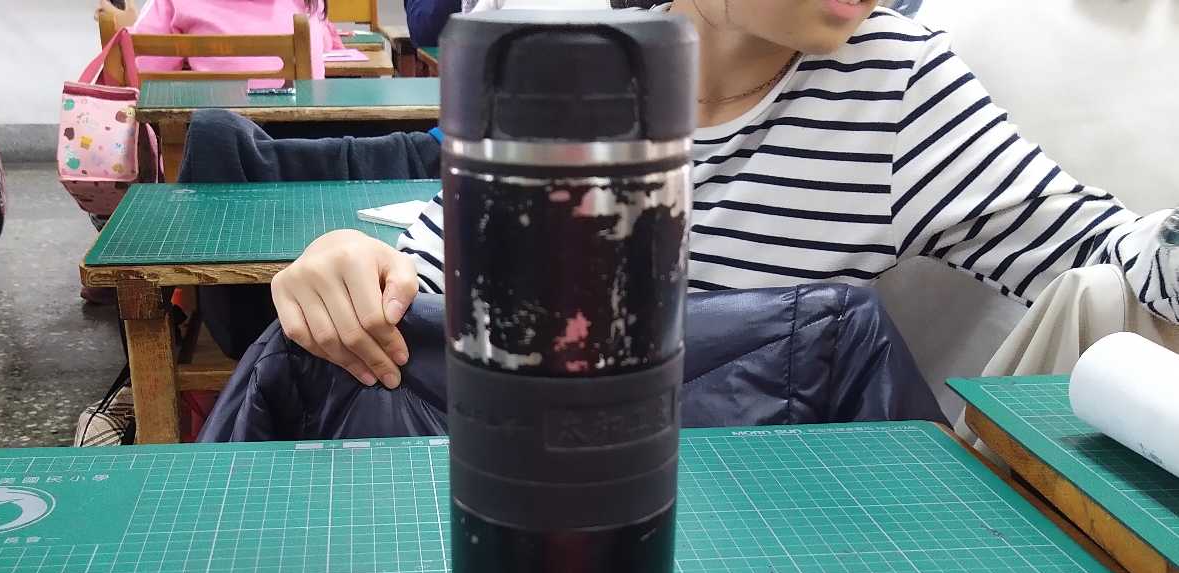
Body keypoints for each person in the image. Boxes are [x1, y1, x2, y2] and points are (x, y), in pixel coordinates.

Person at [268, 0, 1179, 391]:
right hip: (562, 501)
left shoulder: (893, 85)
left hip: (779, 542)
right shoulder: (565, 63)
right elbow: (429, 280)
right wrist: (344, 265)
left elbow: (1108, 258)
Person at [94, 0, 345, 81]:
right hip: (302, 151)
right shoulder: (311, 3)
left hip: (211, 153)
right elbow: (322, 45)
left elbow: (143, 74)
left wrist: (127, 26)